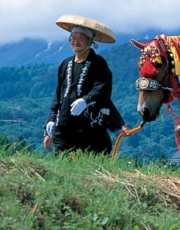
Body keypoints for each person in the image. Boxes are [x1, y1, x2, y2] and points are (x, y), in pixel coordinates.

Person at [44, 14, 123, 155]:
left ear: (90, 41)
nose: (76, 42)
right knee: (63, 160)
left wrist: (85, 100)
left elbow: (102, 87)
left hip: (89, 124)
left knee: (92, 159)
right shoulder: (65, 64)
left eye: (80, 39)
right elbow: (58, 94)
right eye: (73, 38)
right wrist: (50, 121)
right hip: (64, 122)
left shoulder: (98, 63)